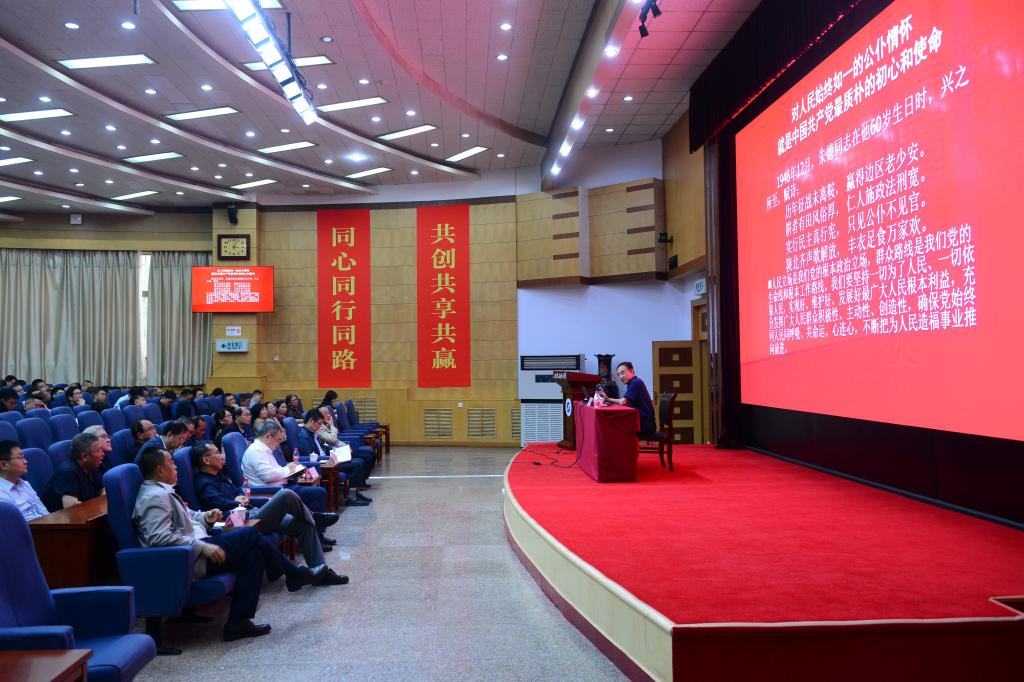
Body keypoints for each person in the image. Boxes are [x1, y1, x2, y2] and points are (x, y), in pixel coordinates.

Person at [134, 448, 330, 642]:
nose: (176, 466)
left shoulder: (163, 491)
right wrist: (202, 547)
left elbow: (189, 516)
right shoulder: (154, 496)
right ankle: (293, 574)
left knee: (254, 555)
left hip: (198, 545)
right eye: (171, 462)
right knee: (249, 534)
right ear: (159, 470)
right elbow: (159, 538)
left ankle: (237, 623)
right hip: (187, 558)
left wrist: (206, 517)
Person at [190, 440, 344, 572]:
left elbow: (237, 490)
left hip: (251, 514)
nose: (222, 456)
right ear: (206, 460)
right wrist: (237, 502)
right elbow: (218, 504)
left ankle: (321, 571)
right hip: (242, 523)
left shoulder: (219, 474)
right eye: (217, 453)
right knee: (286, 494)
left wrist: (240, 496)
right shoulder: (204, 483)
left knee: (304, 524)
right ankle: (314, 516)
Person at [241, 420, 329, 518]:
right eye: (278, 440)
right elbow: (268, 476)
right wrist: (288, 469)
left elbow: (273, 471)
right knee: (319, 493)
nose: (278, 444)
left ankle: (310, 520)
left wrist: (291, 471)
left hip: (280, 487)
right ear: (268, 436)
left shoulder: (263, 449)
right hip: (272, 492)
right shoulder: (256, 451)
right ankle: (314, 524)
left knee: (315, 492)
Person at [297, 409, 371, 507]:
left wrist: (334, 450)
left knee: (359, 461)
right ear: (311, 421)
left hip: (327, 459)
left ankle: (355, 493)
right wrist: (329, 458)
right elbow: (311, 457)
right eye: (319, 423)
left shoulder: (312, 432)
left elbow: (322, 447)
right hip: (323, 465)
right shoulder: (304, 436)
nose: (320, 426)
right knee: (357, 464)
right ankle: (352, 497)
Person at [41, 432, 106, 511]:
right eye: (99, 450)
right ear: (84, 456)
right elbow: (72, 508)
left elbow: (102, 492)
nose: (102, 453)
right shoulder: (67, 473)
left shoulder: (92, 466)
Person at [599, 361, 656, 434]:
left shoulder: (636, 382)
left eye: (622, 373)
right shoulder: (633, 383)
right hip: (641, 422)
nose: (621, 377)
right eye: (619, 375)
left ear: (631, 371)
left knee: (612, 426)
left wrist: (607, 399)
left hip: (646, 424)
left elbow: (623, 402)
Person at [0, 440, 49, 521]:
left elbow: (44, 513)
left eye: (23, 457)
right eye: (20, 458)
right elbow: (12, 525)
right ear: (4, 465)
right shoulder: (1, 493)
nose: (26, 461)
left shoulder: (24, 484)